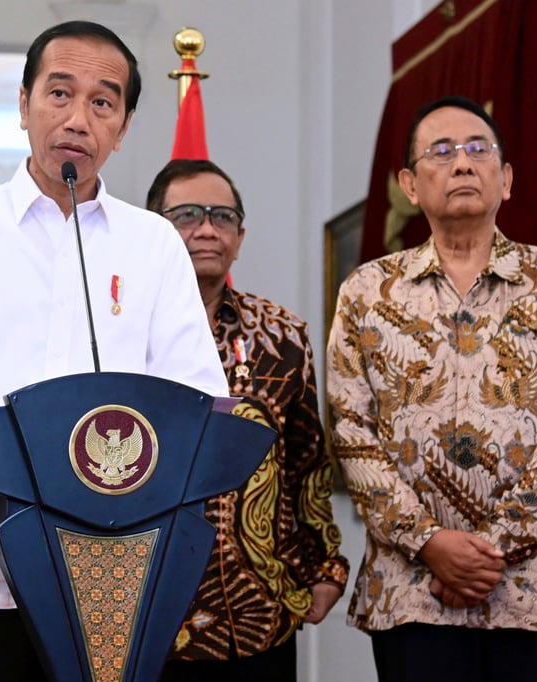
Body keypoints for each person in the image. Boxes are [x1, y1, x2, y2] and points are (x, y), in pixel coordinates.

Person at [0, 20, 229, 682]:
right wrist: (2, 459)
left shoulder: (153, 243)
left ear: (122, 127)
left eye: (103, 102)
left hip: (114, 576)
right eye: (59, 93)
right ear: (23, 104)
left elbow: (196, 395)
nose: (78, 118)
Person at [326, 95, 537, 682]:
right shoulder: (368, 291)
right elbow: (351, 430)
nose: (461, 163)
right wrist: (430, 542)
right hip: (413, 594)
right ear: (410, 184)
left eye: (477, 150)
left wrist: (488, 553)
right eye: (441, 151)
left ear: (506, 178)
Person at [146, 159, 349, 681]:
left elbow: (307, 462)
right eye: (186, 215)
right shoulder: (119, 332)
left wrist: (325, 567)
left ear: (239, 237)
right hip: (146, 619)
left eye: (223, 216)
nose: (207, 229)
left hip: (261, 617)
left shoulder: (283, 336)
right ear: (151, 230)